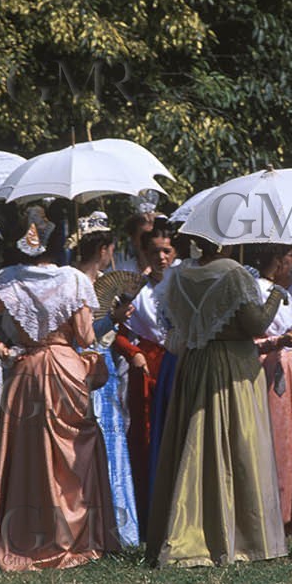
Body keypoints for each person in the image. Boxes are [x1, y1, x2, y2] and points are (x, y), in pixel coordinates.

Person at [0, 218, 119, 570]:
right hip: (66, 369)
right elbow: (85, 337)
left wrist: (4, 351)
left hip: (26, 370)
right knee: (73, 454)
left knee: (28, 457)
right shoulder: (74, 280)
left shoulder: (8, 279)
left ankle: (25, 539)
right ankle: (75, 536)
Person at [147, 237, 287, 567]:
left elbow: (174, 323)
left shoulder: (179, 275)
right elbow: (255, 324)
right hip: (231, 366)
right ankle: (241, 536)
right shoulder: (234, 273)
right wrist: (277, 293)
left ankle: (191, 524)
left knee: (195, 441)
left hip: (195, 363)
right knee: (237, 444)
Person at [72, 212, 141, 548]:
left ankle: (117, 524)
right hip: (86, 369)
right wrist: (110, 319)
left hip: (107, 369)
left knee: (113, 444)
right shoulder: (76, 284)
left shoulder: (101, 282)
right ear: (103, 248)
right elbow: (81, 337)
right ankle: (91, 524)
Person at [111, 220, 175, 537]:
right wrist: (132, 353)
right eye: (155, 252)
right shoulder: (136, 290)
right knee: (146, 436)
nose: (161, 257)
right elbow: (117, 334)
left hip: (177, 363)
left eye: (166, 251)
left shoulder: (182, 285)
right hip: (146, 365)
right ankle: (148, 513)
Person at [250, 243, 292, 538]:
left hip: (281, 360)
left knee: (286, 435)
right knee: (279, 437)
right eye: (289, 257)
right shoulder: (265, 291)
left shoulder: (276, 290)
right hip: (272, 362)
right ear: (276, 260)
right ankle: (280, 510)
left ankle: (286, 509)